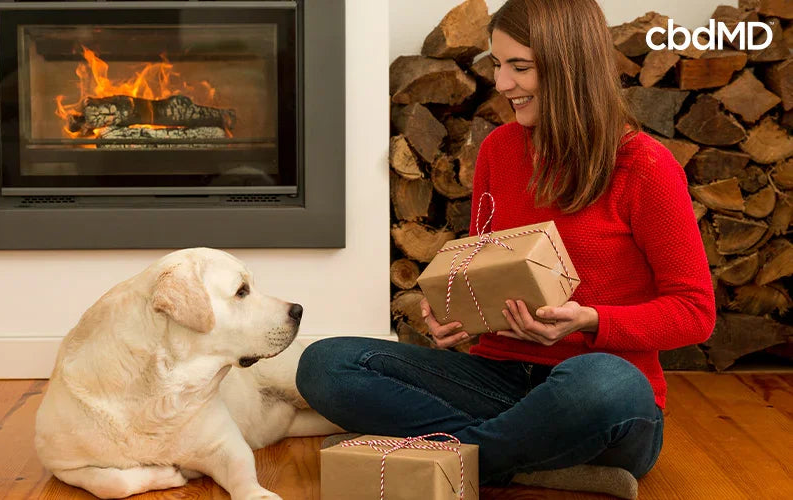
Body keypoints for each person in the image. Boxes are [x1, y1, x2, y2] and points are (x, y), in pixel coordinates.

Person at [296, 0, 715, 493]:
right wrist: (454, 312)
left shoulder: (646, 166)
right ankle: (525, 460)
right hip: (497, 380)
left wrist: (590, 320)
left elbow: (695, 312)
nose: (502, 83)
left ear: (571, 68)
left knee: (608, 383)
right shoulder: (498, 150)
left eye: (520, 66)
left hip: (592, 396)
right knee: (326, 364)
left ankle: (445, 461)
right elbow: (486, 269)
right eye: (497, 64)